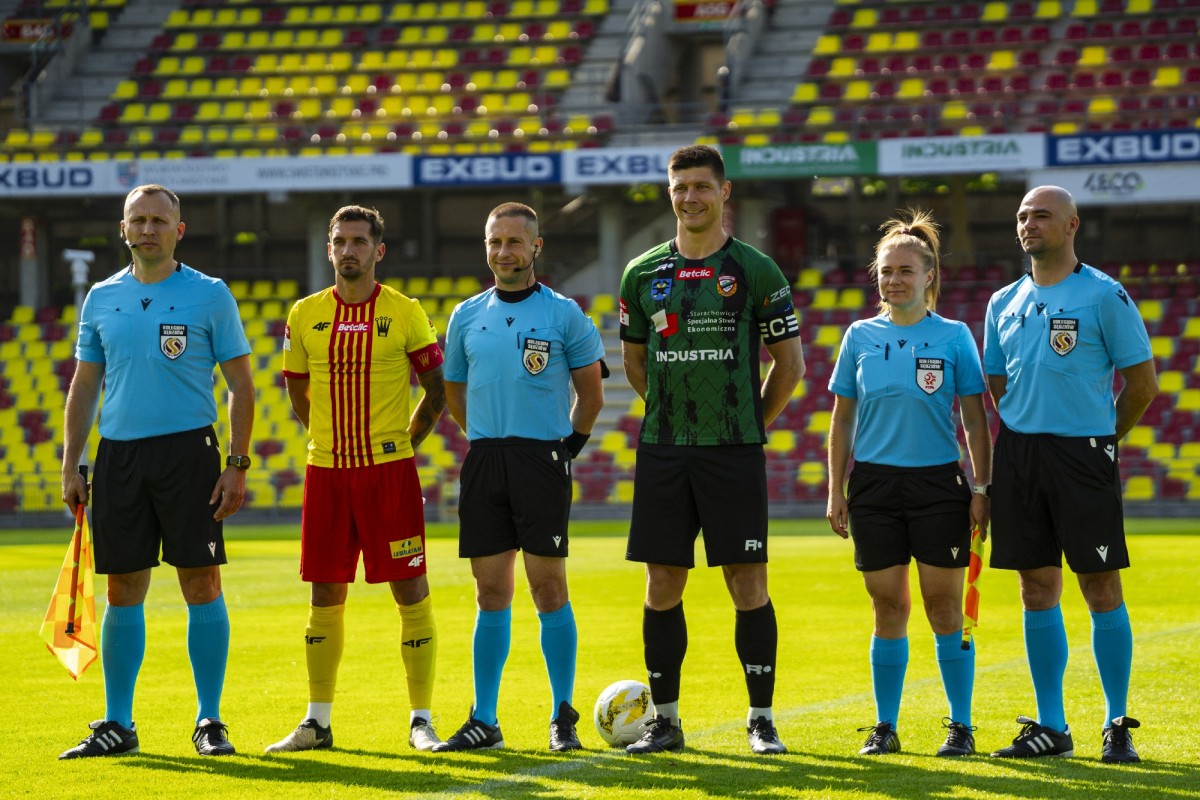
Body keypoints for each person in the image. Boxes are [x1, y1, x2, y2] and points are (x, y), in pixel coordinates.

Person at [619, 144, 805, 755]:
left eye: (701, 186)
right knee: (662, 583)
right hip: (665, 450)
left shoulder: (756, 270)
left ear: (724, 192)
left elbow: (790, 366)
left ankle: (761, 719)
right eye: (680, 187)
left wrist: (746, 422)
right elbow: (636, 362)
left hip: (733, 450)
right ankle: (666, 721)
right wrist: (673, 414)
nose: (690, 197)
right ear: (669, 194)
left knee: (747, 582)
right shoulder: (641, 273)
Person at [59, 184, 255, 759]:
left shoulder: (209, 294)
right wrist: (71, 464)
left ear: (179, 230)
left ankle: (210, 720)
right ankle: (118, 724)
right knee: (122, 588)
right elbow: (85, 385)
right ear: (123, 229)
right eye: (138, 220)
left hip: (189, 455)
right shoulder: (101, 297)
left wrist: (236, 463)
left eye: (159, 221)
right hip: (119, 456)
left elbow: (241, 385)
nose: (148, 229)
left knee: (201, 583)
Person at [984, 186, 1157, 763]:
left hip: (1083, 454)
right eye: (1022, 216)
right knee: (1035, 587)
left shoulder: (1104, 294)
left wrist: (1102, 439)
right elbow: (998, 382)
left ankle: (1116, 722)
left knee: (1100, 585)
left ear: (1072, 225)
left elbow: (1143, 384)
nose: (1028, 224)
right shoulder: (1002, 301)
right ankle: (1051, 727)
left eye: (1041, 215)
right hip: (1019, 455)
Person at [266, 205, 447, 754]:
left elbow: (437, 391)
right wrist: (328, 438)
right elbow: (298, 390)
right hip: (327, 473)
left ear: (378, 250)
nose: (349, 250)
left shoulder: (405, 312)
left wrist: (401, 445)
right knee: (325, 593)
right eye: (340, 241)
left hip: (389, 473)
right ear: (329, 249)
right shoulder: (304, 314)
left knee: (410, 589)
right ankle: (317, 722)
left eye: (360, 241)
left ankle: (421, 720)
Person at [433, 202, 605, 753]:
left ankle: (562, 716)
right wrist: (483, 438)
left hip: (542, 460)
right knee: (489, 592)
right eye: (494, 242)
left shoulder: (564, 313)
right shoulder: (466, 315)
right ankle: (485, 718)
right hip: (486, 460)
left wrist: (565, 450)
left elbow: (591, 395)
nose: (503, 252)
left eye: (513, 242)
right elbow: (453, 389)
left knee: (548, 588)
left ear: (536, 247)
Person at [825, 210, 992, 758]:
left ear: (929, 276)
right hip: (873, 488)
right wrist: (835, 489)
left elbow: (975, 420)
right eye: (886, 271)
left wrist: (982, 488)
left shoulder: (954, 336)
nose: (893, 279)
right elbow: (842, 419)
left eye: (905, 270)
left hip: (938, 486)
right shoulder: (859, 336)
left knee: (944, 608)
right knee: (887, 607)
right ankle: (885, 726)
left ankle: (961, 726)